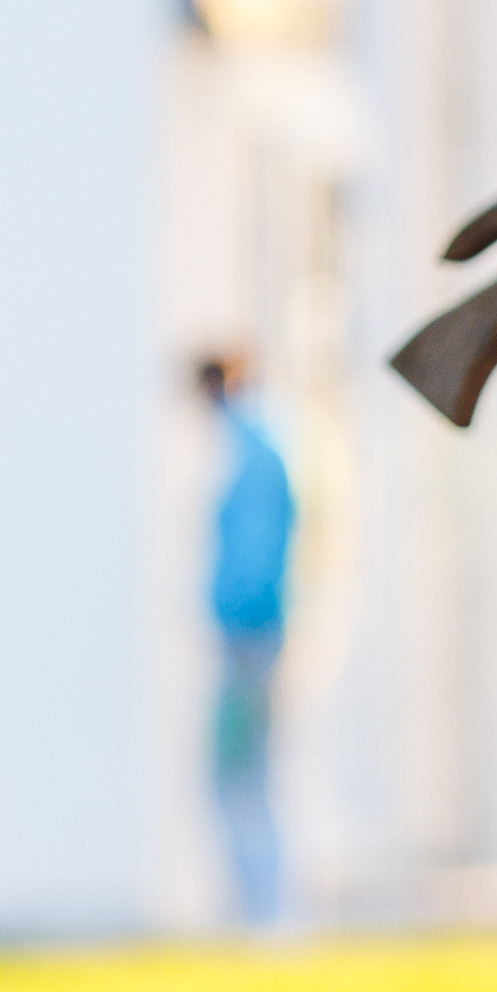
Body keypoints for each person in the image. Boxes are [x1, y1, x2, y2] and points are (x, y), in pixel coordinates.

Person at [194, 355, 295, 926]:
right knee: (245, 773)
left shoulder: (248, 450)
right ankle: (255, 910)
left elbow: (255, 556)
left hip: (248, 639)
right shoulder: (259, 444)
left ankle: (264, 914)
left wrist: (238, 626)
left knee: (241, 775)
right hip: (251, 635)